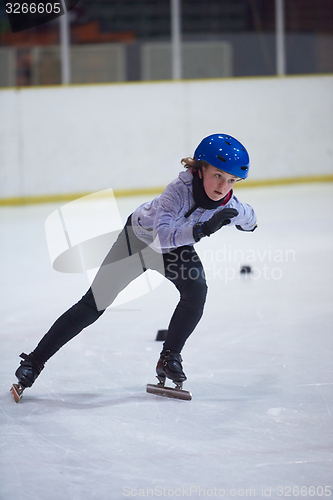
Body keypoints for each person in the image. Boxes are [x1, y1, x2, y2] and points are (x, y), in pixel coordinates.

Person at [11, 133, 257, 401]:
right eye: (218, 175)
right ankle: (33, 362)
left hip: (176, 249)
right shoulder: (178, 190)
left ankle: (169, 356)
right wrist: (203, 228)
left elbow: (249, 218)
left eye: (232, 180)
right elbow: (162, 238)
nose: (223, 186)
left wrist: (245, 221)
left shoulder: (228, 202)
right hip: (137, 240)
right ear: (200, 170)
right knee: (93, 304)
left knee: (196, 290)